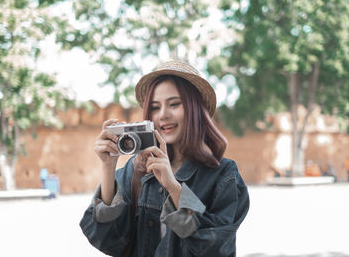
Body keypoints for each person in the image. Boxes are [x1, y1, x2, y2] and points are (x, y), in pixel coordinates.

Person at [79, 61, 250, 257]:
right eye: (154, 107)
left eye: (174, 104)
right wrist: (108, 168)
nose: (163, 115)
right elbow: (108, 241)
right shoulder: (136, 168)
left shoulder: (224, 175)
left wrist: (173, 186)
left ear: (195, 109)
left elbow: (215, 248)